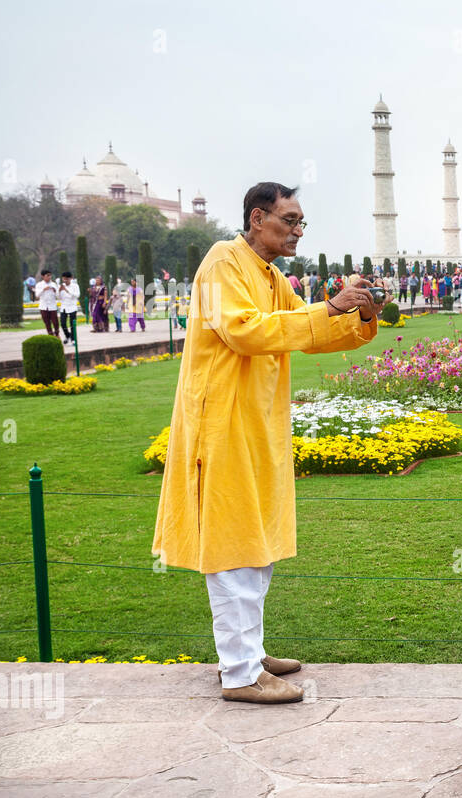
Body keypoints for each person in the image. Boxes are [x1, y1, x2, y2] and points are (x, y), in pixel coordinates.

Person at [153, 182, 380, 705]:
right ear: (258, 218)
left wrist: (361, 311)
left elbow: (312, 332)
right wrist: (329, 307)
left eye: (302, 223)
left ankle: (248, 653)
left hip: (257, 424)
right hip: (223, 423)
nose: (298, 230)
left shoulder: (270, 276)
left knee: (257, 541)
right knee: (233, 547)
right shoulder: (223, 261)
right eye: (291, 220)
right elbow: (245, 332)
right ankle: (238, 673)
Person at [35, 269, 57, 335]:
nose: (49, 277)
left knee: (55, 322)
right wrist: (43, 289)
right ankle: (50, 335)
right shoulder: (39, 285)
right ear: (43, 276)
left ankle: (57, 334)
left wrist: (55, 290)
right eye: (47, 275)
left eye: (50, 275)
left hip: (52, 306)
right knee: (47, 322)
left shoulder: (54, 284)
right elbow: (37, 295)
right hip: (43, 306)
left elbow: (58, 296)